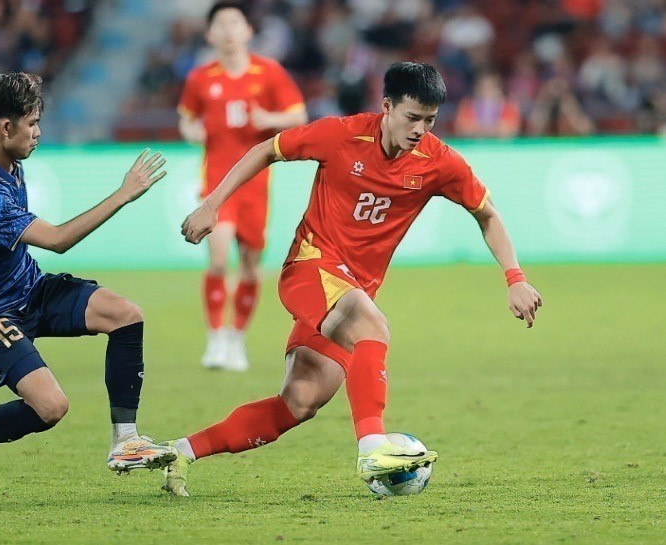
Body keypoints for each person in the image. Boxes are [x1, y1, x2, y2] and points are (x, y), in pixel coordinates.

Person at [169, 62, 543, 496]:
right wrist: (213, 204)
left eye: (429, 120)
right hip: (309, 270)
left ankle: (180, 451)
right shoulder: (341, 134)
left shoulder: (438, 161)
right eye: (412, 117)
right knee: (372, 325)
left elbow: (487, 214)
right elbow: (267, 149)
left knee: (299, 402)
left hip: (350, 291)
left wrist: (515, 278)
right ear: (387, 106)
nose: (420, 128)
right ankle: (372, 449)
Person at [0, 72, 175, 500]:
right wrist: (123, 194)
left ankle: (126, 440)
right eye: (31, 123)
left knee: (126, 315)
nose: (38, 132)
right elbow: (58, 240)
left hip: (27, 287)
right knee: (51, 408)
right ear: (5, 127)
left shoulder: (5, 158)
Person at [178, 1, 307, 371]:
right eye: (221, 24)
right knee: (218, 260)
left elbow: (299, 115)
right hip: (216, 183)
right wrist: (193, 131)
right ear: (210, 34)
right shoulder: (201, 78)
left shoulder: (268, 73)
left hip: (256, 183)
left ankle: (237, 339)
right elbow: (186, 118)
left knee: (251, 266)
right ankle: (216, 338)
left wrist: (269, 117)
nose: (229, 30)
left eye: (236, 23)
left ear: (248, 31)